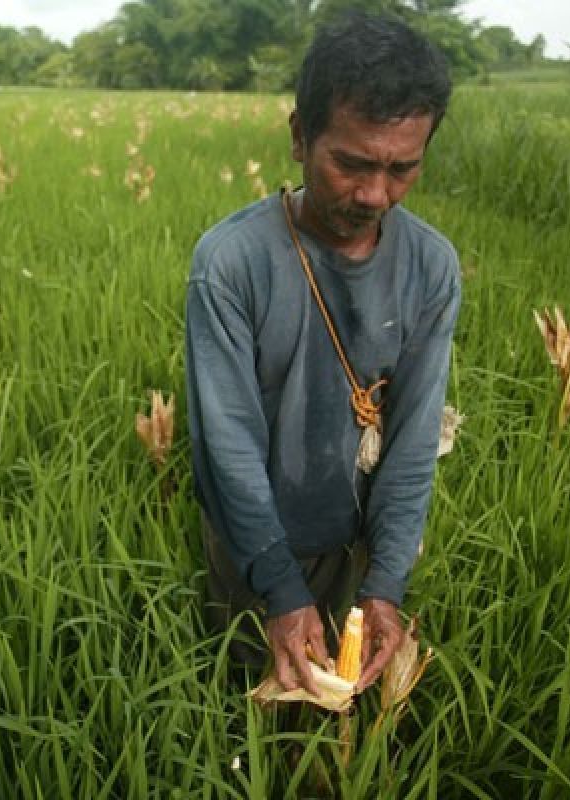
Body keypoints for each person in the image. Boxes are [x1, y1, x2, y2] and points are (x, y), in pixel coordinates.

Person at [184, 12, 461, 698]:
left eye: (403, 169)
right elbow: (229, 448)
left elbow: (414, 439)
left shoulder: (430, 266)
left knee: (352, 718)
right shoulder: (231, 263)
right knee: (253, 709)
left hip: (361, 546)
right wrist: (277, 585)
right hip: (253, 546)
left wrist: (387, 585)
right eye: (352, 163)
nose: (375, 194)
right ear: (300, 136)